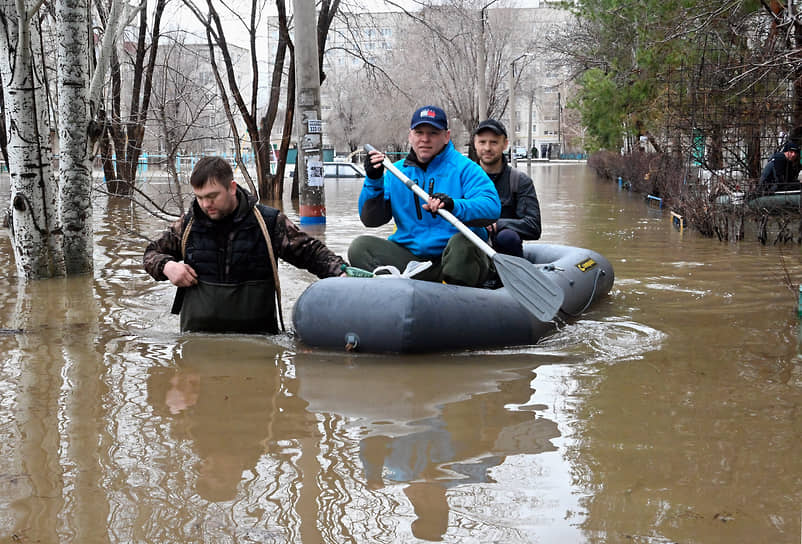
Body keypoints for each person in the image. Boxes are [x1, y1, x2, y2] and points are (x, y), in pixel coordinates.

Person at [143, 156, 346, 334]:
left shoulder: (269, 223)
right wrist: (167, 267)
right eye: (200, 197)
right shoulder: (187, 225)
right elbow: (151, 253)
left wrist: (342, 274)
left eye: (212, 196)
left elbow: (311, 253)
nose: (205, 204)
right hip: (197, 346)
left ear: (232, 188)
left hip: (258, 344)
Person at [348, 105, 501, 286]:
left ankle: (457, 291)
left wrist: (453, 205)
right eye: (419, 132)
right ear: (410, 136)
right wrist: (374, 181)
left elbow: (491, 207)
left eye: (433, 133)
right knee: (360, 247)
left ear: (446, 136)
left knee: (462, 245)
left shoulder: (466, 168)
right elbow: (370, 220)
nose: (425, 139)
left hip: (455, 258)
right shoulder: (395, 172)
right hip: (414, 258)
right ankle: (412, 287)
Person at [472, 119, 541, 259]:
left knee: (507, 237)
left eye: (494, 142)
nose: (487, 148)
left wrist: (498, 225)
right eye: (482, 142)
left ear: (505, 144)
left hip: (505, 252)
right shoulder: (462, 178)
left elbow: (533, 226)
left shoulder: (520, 181)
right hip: (470, 246)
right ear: (475, 144)